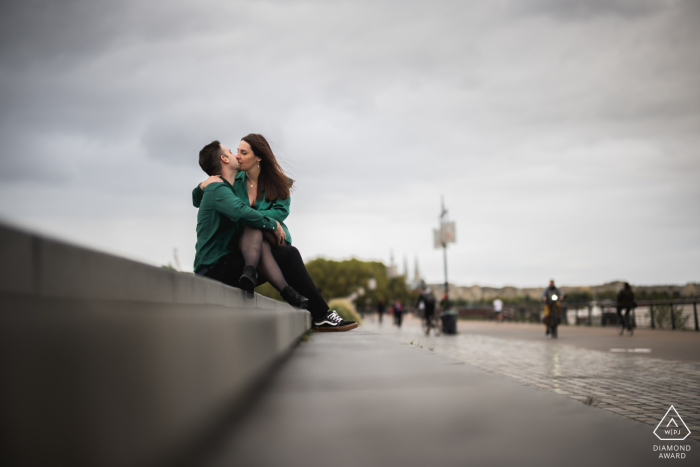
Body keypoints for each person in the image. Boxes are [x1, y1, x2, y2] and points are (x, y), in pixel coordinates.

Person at [193, 139, 357, 332]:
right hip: (217, 265)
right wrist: (202, 185)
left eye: (243, 152)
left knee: (287, 251)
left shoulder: (274, 184)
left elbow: (275, 213)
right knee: (266, 236)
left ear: (259, 156)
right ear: (224, 159)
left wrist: (265, 222)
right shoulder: (221, 186)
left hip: (253, 248)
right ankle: (311, 308)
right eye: (233, 151)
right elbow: (235, 210)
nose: (237, 155)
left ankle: (312, 310)